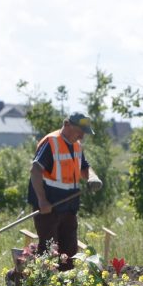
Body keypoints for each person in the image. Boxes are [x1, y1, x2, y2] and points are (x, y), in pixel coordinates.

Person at [27, 112, 102, 270]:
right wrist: (42, 200)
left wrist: (92, 177)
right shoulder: (51, 142)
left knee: (69, 252)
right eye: (80, 131)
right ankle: (22, 278)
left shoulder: (76, 145)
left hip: (69, 207)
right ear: (67, 124)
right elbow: (35, 170)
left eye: (84, 133)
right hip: (49, 207)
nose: (82, 136)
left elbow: (84, 168)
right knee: (49, 252)